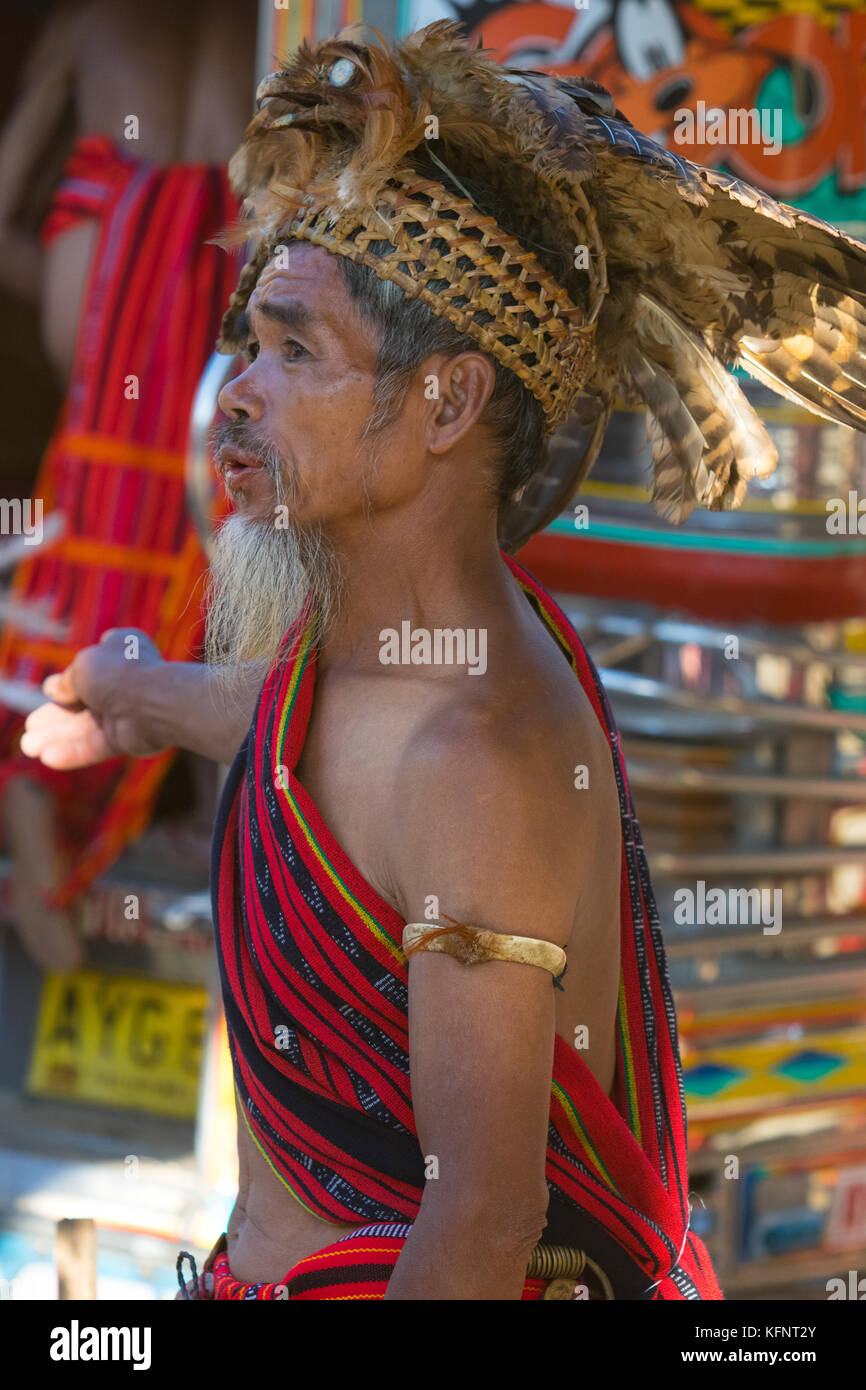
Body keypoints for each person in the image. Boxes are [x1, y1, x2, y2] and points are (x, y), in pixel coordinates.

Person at [21, 21, 866, 1299]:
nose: (235, 391)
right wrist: (132, 694)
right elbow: (306, 730)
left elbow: (477, 1220)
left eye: (294, 350)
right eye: (249, 341)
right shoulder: (365, 663)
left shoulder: (481, 754)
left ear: (445, 405)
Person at [0, 0, 255, 971]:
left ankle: (42, 800)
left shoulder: (91, 24)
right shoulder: (287, 25)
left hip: (114, 318)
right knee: (218, 583)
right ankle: (214, 832)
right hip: (216, 315)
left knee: (94, 574)